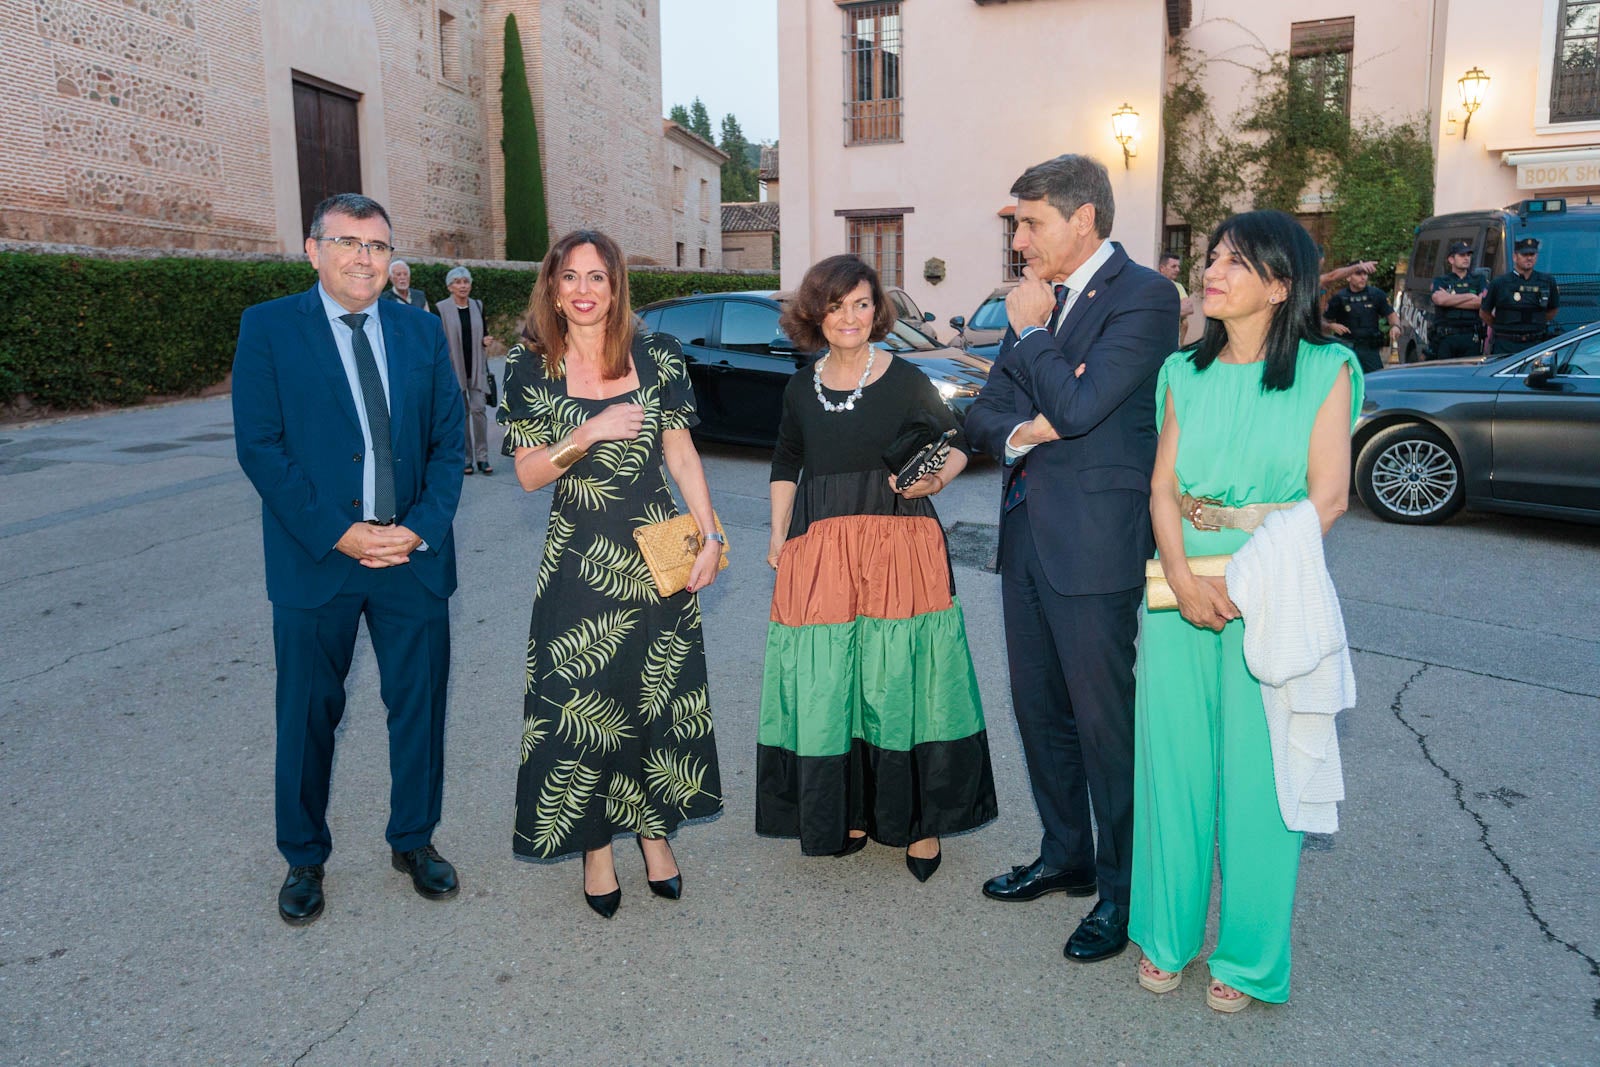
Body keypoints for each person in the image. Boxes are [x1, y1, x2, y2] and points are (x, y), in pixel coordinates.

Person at [1130, 209, 1360, 1013]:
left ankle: (1252, 958)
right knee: (1174, 770)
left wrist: (1243, 576)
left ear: (1280, 283)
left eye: (1233, 262)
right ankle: (1163, 936)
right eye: (1211, 258)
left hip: (1272, 586)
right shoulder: (1181, 372)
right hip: (1177, 588)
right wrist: (1186, 578)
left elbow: (1327, 498)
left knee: (1261, 779)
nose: (1211, 272)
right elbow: (1161, 485)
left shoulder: (1328, 368)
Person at [965, 154, 1177, 961]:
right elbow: (985, 415)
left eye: (1030, 222)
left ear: (1082, 218)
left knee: (1103, 727)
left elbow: (1085, 407)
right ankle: (1066, 856)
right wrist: (1025, 429)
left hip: (1095, 544)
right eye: (1017, 224)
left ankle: (1123, 894)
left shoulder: (1146, 297)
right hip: (1024, 534)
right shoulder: (1039, 302)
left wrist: (1031, 334)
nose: (1019, 240)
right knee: (1037, 711)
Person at [232, 193, 466, 926]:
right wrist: (340, 531)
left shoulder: (422, 332)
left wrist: (417, 529)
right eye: (348, 242)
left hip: (412, 558)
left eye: (378, 245)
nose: (365, 258)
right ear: (313, 249)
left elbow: (449, 447)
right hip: (318, 559)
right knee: (307, 713)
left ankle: (413, 839)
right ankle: (303, 857)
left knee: (419, 708)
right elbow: (260, 447)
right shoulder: (268, 328)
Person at [500, 229, 723, 918]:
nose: (585, 290)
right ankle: (596, 846)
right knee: (583, 705)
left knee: (652, 696)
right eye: (571, 277)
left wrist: (710, 534)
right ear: (553, 286)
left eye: (598, 277)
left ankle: (655, 832)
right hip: (580, 558)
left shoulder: (657, 354)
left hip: (657, 552)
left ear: (617, 285)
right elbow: (530, 474)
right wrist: (587, 433)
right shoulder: (530, 364)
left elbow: (681, 454)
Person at [755, 254, 997, 880]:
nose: (850, 317)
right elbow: (786, 461)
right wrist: (779, 536)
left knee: (903, 679)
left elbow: (958, 444)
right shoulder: (799, 385)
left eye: (861, 304)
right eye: (836, 306)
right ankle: (854, 808)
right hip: (823, 545)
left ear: (877, 310)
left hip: (899, 545)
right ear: (816, 314)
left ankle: (920, 822)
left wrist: (934, 482)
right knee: (837, 680)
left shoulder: (906, 378)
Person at [437, 266, 494, 475]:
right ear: (450, 286)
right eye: (458, 282)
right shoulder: (441, 308)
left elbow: (485, 333)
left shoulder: (478, 305)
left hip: (477, 367)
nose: (463, 286)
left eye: (466, 282)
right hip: (454, 369)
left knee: (479, 410)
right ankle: (466, 459)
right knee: (462, 414)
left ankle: (482, 457)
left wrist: (486, 340)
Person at [1482, 237, 1561, 354]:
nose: (1529, 258)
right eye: (1524, 254)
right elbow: (1484, 313)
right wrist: (1502, 326)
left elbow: (1553, 309)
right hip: (1506, 343)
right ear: (1515, 257)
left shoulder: (1547, 281)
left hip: (1535, 343)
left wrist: (1535, 322)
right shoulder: (1499, 283)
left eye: (1532, 254)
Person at [1322, 266, 1398, 374]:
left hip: (1369, 349)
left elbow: (1391, 315)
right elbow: (1322, 321)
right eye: (1358, 274)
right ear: (1348, 277)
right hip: (1346, 348)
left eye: (1365, 274)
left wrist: (1396, 326)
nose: (1363, 278)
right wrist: (1331, 326)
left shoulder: (1376, 294)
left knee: (1376, 380)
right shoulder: (1339, 297)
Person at [1429, 240, 1486, 360]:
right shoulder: (1441, 280)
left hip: (1471, 337)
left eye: (1468, 255)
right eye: (1462, 255)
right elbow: (1440, 301)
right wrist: (1470, 296)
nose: (1466, 258)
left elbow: (1481, 302)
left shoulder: (1478, 279)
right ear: (1451, 259)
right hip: (1446, 337)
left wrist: (1450, 299)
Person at [1157, 251, 1193, 340]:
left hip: (1173, 340)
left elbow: (1189, 308)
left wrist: (1161, 312)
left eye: (1178, 267)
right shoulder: (1153, 285)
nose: (1178, 270)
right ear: (1162, 268)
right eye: (1173, 266)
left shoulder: (1178, 286)